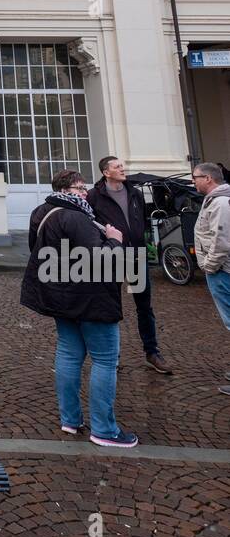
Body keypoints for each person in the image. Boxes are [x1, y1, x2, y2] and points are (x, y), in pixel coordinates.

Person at [22, 167, 136, 447]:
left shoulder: (41, 212)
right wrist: (114, 240)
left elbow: (35, 249)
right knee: (105, 360)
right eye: (79, 188)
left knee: (69, 354)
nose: (85, 193)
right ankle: (104, 430)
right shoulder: (77, 218)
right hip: (91, 297)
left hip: (60, 296)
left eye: (84, 188)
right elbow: (102, 259)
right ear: (65, 190)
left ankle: (70, 420)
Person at [88, 156, 172, 374]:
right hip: (111, 257)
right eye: (117, 166)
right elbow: (91, 224)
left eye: (122, 165)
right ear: (106, 172)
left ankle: (152, 352)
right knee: (110, 307)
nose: (122, 169)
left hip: (136, 255)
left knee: (144, 306)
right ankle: (112, 356)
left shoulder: (134, 191)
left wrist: (143, 240)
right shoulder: (94, 196)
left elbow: (141, 218)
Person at [192, 161, 230, 396]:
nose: (193, 181)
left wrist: (209, 265)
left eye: (195, 177)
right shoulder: (217, 200)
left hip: (223, 270)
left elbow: (222, 239)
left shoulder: (221, 202)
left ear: (208, 178)